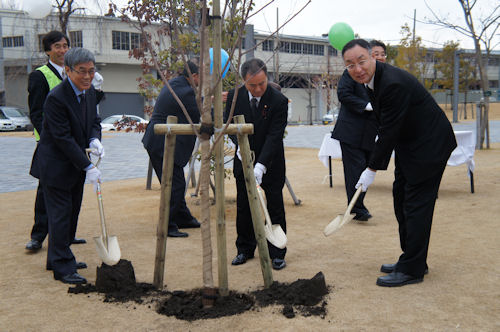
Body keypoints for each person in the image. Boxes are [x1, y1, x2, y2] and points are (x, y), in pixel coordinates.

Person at [342, 39, 457, 287]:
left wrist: (371, 168)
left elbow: (390, 130)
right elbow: (387, 123)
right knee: (400, 197)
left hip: (429, 146)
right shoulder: (373, 81)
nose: (358, 68)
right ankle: (413, 259)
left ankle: (412, 269)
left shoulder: (392, 82)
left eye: (362, 61)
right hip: (411, 144)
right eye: (350, 65)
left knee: (415, 205)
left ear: (373, 57)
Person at [30, 47, 105, 284]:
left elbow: (94, 121)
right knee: (60, 215)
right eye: (81, 71)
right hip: (55, 165)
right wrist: (88, 166)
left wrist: (95, 139)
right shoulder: (57, 98)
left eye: (91, 71)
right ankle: (62, 267)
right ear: (68, 71)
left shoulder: (90, 91)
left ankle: (58, 256)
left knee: (71, 213)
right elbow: (62, 138)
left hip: (75, 165)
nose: (87, 76)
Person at [25, 31, 86, 252]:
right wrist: (49, 140)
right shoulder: (40, 75)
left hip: (72, 144)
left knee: (72, 191)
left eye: (65, 46)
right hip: (51, 146)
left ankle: (67, 235)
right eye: (57, 46)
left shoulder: (76, 74)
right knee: (46, 192)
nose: (62, 50)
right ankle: (38, 235)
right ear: (48, 50)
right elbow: (36, 112)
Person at [225, 58, 288, 270]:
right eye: (253, 85)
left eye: (262, 83)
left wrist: (261, 165)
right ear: (244, 81)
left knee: (275, 204)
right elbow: (229, 125)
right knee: (244, 205)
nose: (259, 88)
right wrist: (240, 149)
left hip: (271, 161)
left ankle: (277, 252)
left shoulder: (278, 100)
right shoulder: (235, 96)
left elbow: (274, 135)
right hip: (243, 159)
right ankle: (244, 249)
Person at [142, 60, 201, 238]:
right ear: (195, 76)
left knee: (175, 182)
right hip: (162, 143)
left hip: (158, 141)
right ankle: (167, 225)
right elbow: (199, 112)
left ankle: (183, 217)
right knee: (174, 185)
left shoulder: (176, 84)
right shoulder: (186, 91)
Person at [331, 40, 388, 222]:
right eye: (376, 53)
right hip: (351, 131)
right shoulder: (352, 73)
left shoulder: (385, 77)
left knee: (365, 168)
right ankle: (357, 208)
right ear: (370, 55)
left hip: (370, 133)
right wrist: (367, 105)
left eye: (382, 54)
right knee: (354, 170)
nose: (379, 57)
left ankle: (357, 205)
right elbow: (344, 94)